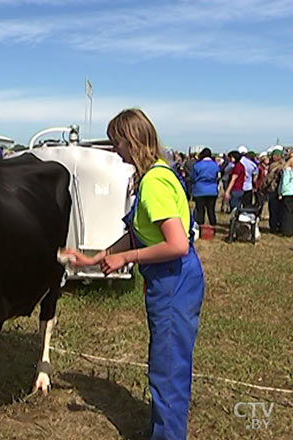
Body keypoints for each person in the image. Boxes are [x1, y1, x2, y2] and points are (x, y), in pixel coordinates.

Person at [61, 109, 204, 440]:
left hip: (174, 278)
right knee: (166, 361)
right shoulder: (155, 174)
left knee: (168, 367)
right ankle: (162, 428)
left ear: (132, 141)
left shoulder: (154, 183)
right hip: (169, 278)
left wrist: (126, 257)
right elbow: (139, 230)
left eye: (117, 144)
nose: (115, 152)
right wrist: (95, 258)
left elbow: (177, 244)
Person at [190, 148, 219, 227]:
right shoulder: (215, 165)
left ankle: (200, 227)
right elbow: (218, 176)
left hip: (199, 189)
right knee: (211, 210)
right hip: (212, 190)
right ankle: (213, 226)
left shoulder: (197, 165)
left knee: (200, 210)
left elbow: (192, 177)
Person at [263, 148, 286, 233]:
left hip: (273, 190)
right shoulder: (286, 164)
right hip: (283, 191)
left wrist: (263, 187)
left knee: (273, 209)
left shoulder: (274, 165)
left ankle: (273, 227)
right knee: (281, 210)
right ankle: (281, 226)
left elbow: (269, 178)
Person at [280, 153, 293, 237]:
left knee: (287, 213)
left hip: (288, 193)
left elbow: (284, 183)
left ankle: (287, 231)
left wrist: (281, 192)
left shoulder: (287, 170)